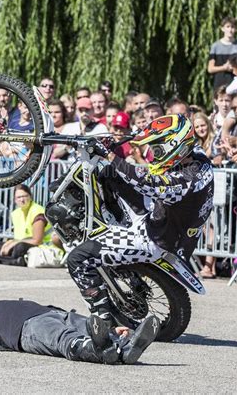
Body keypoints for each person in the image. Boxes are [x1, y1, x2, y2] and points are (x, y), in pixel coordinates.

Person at [67, 114, 214, 325]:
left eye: (158, 149)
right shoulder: (198, 156)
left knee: (77, 259)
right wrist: (120, 140)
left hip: (153, 238)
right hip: (163, 220)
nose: (154, 153)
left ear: (175, 147)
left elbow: (149, 182)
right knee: (109, 175)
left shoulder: (185, 182)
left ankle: (103, 318)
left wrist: (111, 155)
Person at [0, 298, 160, 365]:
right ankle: (96, 350)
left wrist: (113, 328)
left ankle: (125, 347)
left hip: (54, 313)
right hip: (28, 329)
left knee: (91, 327)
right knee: (64, 339)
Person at [0, 185, 58, 266]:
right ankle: (16, 260)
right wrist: (11, 242)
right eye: (18, 197)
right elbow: (19, 237)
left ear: (30, 197)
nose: (22, 200)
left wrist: (14, 243)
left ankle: (8, 260)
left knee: (19, 248)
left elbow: (37, 241)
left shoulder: (37, 211)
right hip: (23, 243)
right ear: (15, 200)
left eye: (25, 196)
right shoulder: (15, 213)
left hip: (41, 247)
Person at [207, 16, 237, 89]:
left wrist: (234, 67)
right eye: (227, 27)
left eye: (232, 27)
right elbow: (210, 69)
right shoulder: (216, 46)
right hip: (220, 83)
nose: (230, 30)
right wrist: (224, 68)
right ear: (222, 29)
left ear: (236, 29)